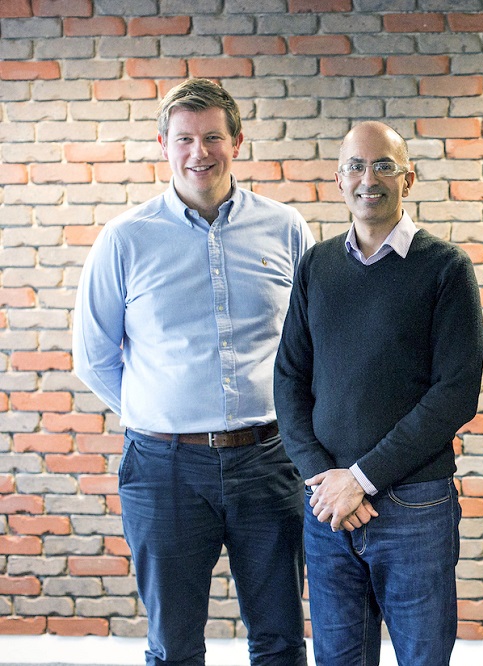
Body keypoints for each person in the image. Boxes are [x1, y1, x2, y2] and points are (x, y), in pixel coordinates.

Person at [73, 78, 313, 665]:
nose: (199, 153)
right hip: (164, 470)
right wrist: (159, 414)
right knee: (174, 644)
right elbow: (94, 356)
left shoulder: (286, 229)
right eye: (185, 139)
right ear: (163, 144)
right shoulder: (126, 239)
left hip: (268, 460)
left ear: (237, 141)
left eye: (212, 137)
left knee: (280, 638)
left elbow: (314, 346)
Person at [273, 120, 483, 666]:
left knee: (423, 658)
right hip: (327, 509)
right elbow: (289, 380)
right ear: (339, 180)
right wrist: (325, 480)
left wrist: (359, 480)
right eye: (357, 166)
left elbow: (456, 393)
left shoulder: (445, 268)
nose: (370, 178)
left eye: (385, 165)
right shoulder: (316, 266)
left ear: (408, 179)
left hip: (415, 506)